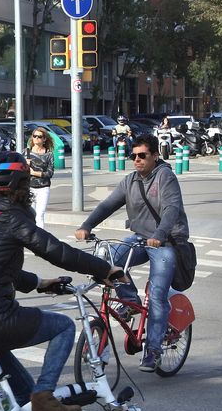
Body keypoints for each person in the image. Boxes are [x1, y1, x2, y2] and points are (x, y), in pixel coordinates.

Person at [0, 151, 123, 411]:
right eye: (26, 183)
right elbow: (57, 251)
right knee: (63, 327)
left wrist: (40, 283)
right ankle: (45, 395)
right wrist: (104, 269)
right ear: (18, 186)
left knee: (22, 396)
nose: (29, 189)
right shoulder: (11, 219)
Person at [75, 133, 189, 373]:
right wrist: (87, 226)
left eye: (142, 155)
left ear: (155, 156)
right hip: (139, 237)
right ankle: (129, 300)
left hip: (165, 241)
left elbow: (171, 209)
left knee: (157, 295)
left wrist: (159, 235)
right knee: (107, 258)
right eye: (133, 156)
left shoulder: (165, 177)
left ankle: (154, 350)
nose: (136, 160)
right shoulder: (130, 181)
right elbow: (107, 205)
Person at [25, 126, 54, 229]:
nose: (36, 138)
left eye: (39, 136)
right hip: (29, 188)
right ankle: (31, 239)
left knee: (40, 215)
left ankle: (40, 240)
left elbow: (50, 173)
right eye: (34, 136)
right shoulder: (27, 152)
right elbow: (19, 171)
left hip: (43, 188)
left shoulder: (48, 154)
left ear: (44, 139)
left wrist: (34, 173)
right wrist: (25, 165)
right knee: (30, 215)